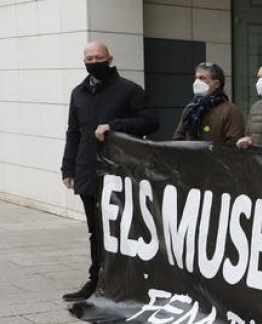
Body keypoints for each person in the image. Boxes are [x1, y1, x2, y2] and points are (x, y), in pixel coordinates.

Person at [61, 41, 159, 301]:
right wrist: (67, 168)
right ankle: (96, 280)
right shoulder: (78, 93)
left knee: (123, 229)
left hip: (120, 174)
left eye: (99, 57)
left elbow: (150, 121)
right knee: (96, 232)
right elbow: (73, 133)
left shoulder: (129, 90)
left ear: (110, 58)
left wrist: (114, 126)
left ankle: (127, 281)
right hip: (87, 172)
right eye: (89, 58)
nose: (94, 61)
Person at [172, 62, 244, 143]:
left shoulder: (230, 110)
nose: (197, 82)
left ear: (216, 84)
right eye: (196, 78)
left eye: (202, 78)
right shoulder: (191, 108)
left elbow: (233, 144)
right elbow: (178, 139)